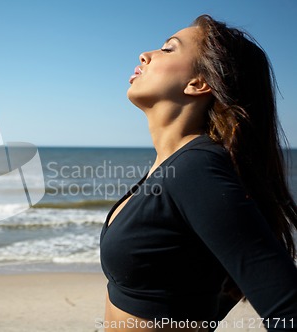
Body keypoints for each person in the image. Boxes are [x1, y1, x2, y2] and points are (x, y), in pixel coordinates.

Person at [99, 14, 297, 332]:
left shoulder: (196, 168)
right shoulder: (175, 166)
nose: (144, 55)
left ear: (199, 83)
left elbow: (286, 307)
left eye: (168, 49)